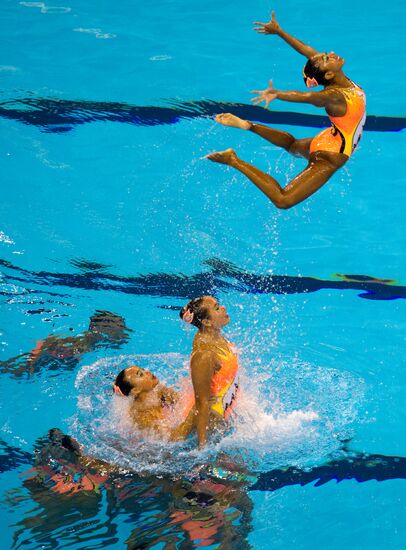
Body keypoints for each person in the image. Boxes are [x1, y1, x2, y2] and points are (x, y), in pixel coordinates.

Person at [207, 11, 366, 209]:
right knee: (283, 200)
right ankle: (233, 160)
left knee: (292, 146)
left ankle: (247, 125)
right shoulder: (335, 96)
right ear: (329, 73)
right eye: (327, 58)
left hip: (329, 140)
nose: (331, 53)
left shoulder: (340, 81)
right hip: (331, 155)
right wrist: (278, 94)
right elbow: (309, 97)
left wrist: (280, 32)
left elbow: (307, 51)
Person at [179, 296, 239, 449]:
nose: (224, 308)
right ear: (207, 322)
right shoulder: (205, 355)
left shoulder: (214, 335)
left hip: (225, 409)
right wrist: (202, 449)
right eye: (217, 308)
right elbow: (202, 403)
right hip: (212, 422)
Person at [0, 310, 130, 377]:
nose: (122, 328)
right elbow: (47, 341)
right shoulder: (83, 340)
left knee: (18, 371)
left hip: (63, 358)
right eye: (119, 326)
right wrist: (34, 357)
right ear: (105, 326)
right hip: (58, 356)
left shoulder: (97, 338)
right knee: (19, 370)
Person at [113, 365, 196, 441]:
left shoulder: (158, 391)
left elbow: (181, 401)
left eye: (143, 370)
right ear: (135, 390)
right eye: (141, 374)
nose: (148, 372)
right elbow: (174, 438)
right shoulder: (142, 417)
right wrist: (195, 410)